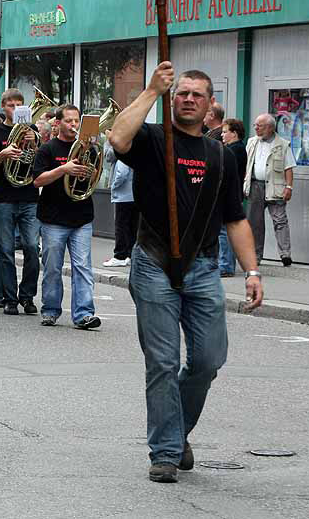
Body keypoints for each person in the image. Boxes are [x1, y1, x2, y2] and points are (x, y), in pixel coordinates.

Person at [109, 62, 263, 483]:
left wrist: (252, 272)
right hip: (153, 263)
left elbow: (235, 219)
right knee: (162, 360)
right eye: (181, 93)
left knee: (209, 359)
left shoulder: (221, 155)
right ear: (171, 98)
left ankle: (177, 432)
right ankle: (165, 452)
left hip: (203, 267)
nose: (188, 99)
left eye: (197, 94)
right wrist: (149, 92)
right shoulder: (153, 139)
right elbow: (117, 137)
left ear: (211, 104)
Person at [32, 104, 101, 330]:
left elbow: (93, 179)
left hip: (81, 215)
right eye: (69, 121)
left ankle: (84, 314)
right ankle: (50, 310)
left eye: (76, 121)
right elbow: (38, 180)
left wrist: (88, 171)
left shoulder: (88, 149)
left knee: (82, 266)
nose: (73, 125)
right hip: (53, 218)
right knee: (52, 267)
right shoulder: (48, 149)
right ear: (58, 123)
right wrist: (63, 169)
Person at [0, 88, 40, 314]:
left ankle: (27, 296)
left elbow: (40, 163)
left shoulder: (32, 130)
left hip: (29, 197)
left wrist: (34, 144)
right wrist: (3, 154)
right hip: (4, 197)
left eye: (19, 105)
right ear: (4, 107)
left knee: (31, 248)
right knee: (5, 250)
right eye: (11, 105)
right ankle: (10, 298)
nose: (15, 109)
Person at [244, 113, 295, 266]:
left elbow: (289, 168)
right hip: (255, 186)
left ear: (270, 128)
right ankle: (256, 256)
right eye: (255, 125)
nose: (255, 128)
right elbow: (247, 164)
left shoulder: (283, 144)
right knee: (255, 223)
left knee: (280, 220)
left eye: (259, 126)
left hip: (275, 186)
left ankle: (285, 255)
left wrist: (289, 187)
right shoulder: (251, 141)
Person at [102, 130, 137, 268]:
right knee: (133, 226)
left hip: (123, 194)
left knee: (121, 226)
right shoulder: (132, 144)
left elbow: (121, 171)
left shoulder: (122, 149)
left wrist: (114, 187)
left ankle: (120, 255)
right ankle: (130, 255)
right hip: (133, 193)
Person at [219, 119, 247, 276]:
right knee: (224, 231)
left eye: (225, 132)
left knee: (224, 231)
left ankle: (226, 265)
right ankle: (225, 263)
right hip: (232, 194)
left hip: (229, 195)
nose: (222, 135)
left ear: (234, 133)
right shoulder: (234, 149)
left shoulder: (235, 150)